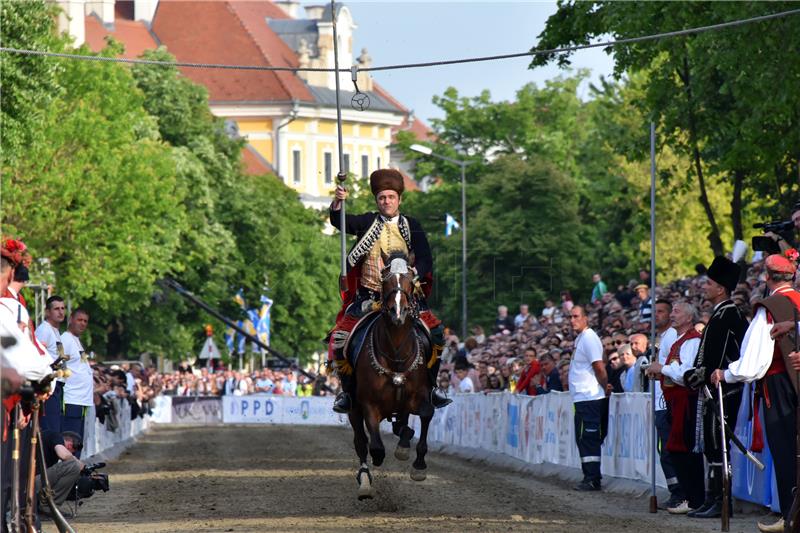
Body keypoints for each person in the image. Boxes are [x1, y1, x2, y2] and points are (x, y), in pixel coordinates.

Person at [327, 169, 449, 413]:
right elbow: (339, 221)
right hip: (368, 297)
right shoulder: (366, 222)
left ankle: (432, 388)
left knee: (436, 334)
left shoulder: (412, 226)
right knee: (339, 339)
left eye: (391, 197)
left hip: (406, 298)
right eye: (382, 198)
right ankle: (348, 393)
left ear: (399, 199)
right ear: (377, 201)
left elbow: (426, 258)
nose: (387, 202)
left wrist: (415, 272)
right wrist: (338, 200)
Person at [710, 252, 800, 533]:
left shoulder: (768, 307)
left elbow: (753, 362)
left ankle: (790, 516)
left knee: (785, 453)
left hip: (779, 386)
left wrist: (726, 373)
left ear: (766, 277)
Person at [682, 256, 749, 519]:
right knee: (711, 444)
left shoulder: (728, 314)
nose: (704, 287)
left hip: (724, 389)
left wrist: (697, 375)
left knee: (718, 442)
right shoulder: (721, 313)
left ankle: (723, 501)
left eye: (708, 283)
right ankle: (713, 498)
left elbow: (718, 358)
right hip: (713, 388)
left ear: (721, 288)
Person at [646, 301, 703, 514]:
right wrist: (661, 372)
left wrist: (663, 368)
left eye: (676, 311)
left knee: (685, 450)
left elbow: (685, 373)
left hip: (686, 401)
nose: (672, 315)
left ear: (689, 318)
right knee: (677, 449)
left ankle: (694, 498)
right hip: (674, 402)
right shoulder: (678, 341)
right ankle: (690, 497)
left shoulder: (692, 341)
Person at [568, 305, 608, 491]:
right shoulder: (581, 338)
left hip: (590, 396)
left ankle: (592, 478)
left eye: (576, 316)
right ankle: (589, 476)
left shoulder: (589, 338)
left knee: (589, 437)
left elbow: (599, 366)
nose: (572, 320)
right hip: (583, 397)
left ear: (586, 318)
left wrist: (603, 386)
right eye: (570, 317)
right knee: (583, 438)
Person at [61, 309, 92, 452]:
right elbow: (59, 364)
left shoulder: (77, 341)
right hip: (71, 399)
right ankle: (68, 472)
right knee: (70, 443)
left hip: (81, 400)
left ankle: (75, 472)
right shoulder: (65, 339)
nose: (83, 324)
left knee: (77, 443)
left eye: (85, 321)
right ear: (71, 320)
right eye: (79, 320)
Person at [36, 296, 67, 433]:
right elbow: (38, 356)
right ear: (48, 312)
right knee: (50, 429)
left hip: (58, 385)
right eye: (56, 309)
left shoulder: (55, 331)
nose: (60, 312)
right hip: (49, 386)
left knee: (56, 428)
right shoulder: (44, 330)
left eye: (62, 308)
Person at [36, 430, 84, 511]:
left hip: (29, 482)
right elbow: (64, 455)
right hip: (30, 482)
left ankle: (45, 506)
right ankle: (48, 508)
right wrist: (78, 463)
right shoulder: (55, 436)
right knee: (73, 466)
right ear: (69, 444)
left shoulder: (50, 448)